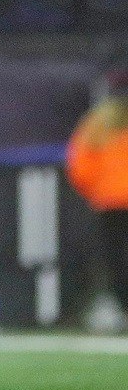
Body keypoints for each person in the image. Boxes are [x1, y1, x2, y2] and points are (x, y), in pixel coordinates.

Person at [65, 76, 128, 319]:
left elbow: (80, 168)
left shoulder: (97, 125)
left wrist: (97, 190)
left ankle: (122, 307)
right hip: (111, 200)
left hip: (109, 204)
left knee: (116, 259)